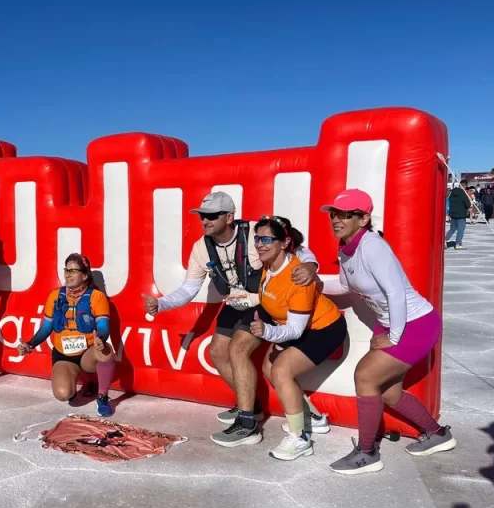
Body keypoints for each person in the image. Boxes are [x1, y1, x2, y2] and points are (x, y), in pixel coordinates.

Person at [141, 191, 326, 432]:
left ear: (229, 217)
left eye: (212, 216)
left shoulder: (254, 234)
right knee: (216, 351)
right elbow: (189, 287)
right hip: (234, 303)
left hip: (262, 301)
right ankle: (252, 406)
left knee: (238, 348)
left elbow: (296, 247)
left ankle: (247, 422)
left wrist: (311, 265)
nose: (205, 221)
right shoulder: (201, 247)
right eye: (202, 216)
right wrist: (161, 303)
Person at [318, 189, 455, 475]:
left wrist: (394, 336)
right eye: (334, 214)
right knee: (390, 392)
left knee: (365, 376)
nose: (336, 220)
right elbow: (344, 287)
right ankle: (437, 434)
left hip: (415, 323)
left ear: (364, 218)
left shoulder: (372, 246)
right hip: (393, 323)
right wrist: (314, 285)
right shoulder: (345, 248)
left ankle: (367, 453)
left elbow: (396, 292)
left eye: (345, 214)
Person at [215, 216, 348, 459]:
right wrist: (245, 299)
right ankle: (313, 418)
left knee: (281, 370)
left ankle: (300, 439)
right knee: (269, 366)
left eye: (267, 239)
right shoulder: (269, 264)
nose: (260, 244)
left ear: (284, 243)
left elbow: (295, 331)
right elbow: (273, 299)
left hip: (326, 329)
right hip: (299, 327)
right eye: (257, 239)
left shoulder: (298, 276)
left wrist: (266, 332)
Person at [17, 254, 116, 416]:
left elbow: (103, 326)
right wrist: (30, 344)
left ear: (84, 275)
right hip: (64, 355)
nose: (68, 274)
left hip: (87, 354)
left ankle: (102, 396)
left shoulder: (97, 297)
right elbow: (46, 328)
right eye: (66, 270)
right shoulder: (55, 296)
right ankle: (79, 382)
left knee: (105, 350)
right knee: (63, 395)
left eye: (73, 271)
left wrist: (101, 339)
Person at [445, 181, 472, 249]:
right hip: (461, 214)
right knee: (460, 230)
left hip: (453, 214)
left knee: (452, 229)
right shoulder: (463, 193)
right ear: (465, 186)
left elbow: (450, 201)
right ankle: (458, 244)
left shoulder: (452, 193)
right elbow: (468, 204)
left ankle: (444, 240)